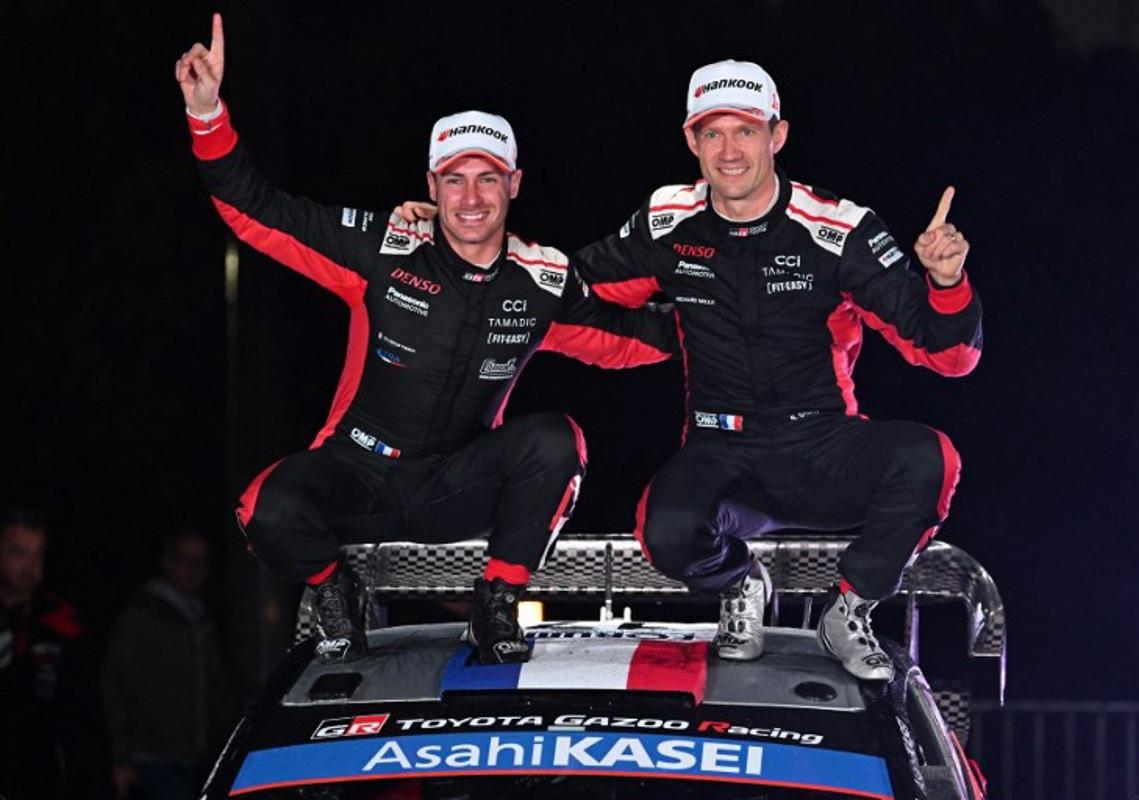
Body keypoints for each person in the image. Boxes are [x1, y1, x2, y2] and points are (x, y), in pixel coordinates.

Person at [398, 59, 981, 681]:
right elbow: (565, 286)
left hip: (824, 442)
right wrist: (449, 240)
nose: (729, 151)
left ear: (777, 136)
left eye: (746, 132)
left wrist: (946, 281)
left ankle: (850, 609)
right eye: (712, 133)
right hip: (721, 446)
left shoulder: (840, 229)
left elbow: (947, 355)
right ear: (690, 141)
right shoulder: (667, 220)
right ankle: (740, 586)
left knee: (930, 458)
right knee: (662, 529)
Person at [174, 16, 676, 666]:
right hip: (355, 477)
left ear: (514, 184)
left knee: (557, 440)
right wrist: (207, 111)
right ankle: (334, 591)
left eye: (488, 178)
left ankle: (497, 600)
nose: (472, 197)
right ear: (431, 185)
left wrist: (730, 309)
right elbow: (255, 209)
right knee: (263, 508)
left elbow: (626, 337)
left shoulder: (542, 280)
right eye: (455, 179)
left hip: (453, 487)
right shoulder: (381, 249)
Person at [102, 530, 235, 800]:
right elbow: (115, 684)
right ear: (167, 562)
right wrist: (121, 757)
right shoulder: (142, 617)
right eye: (186, 559)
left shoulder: (200, 618)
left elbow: (216, 686)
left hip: (195, 756)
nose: (194, 569)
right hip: (150, 757)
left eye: (201, 561)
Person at [0, 510, 106, 799]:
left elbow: (84, 709)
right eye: (17, 552)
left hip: (43, 779)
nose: (29, 564)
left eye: (37, 554)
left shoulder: (61, 621)